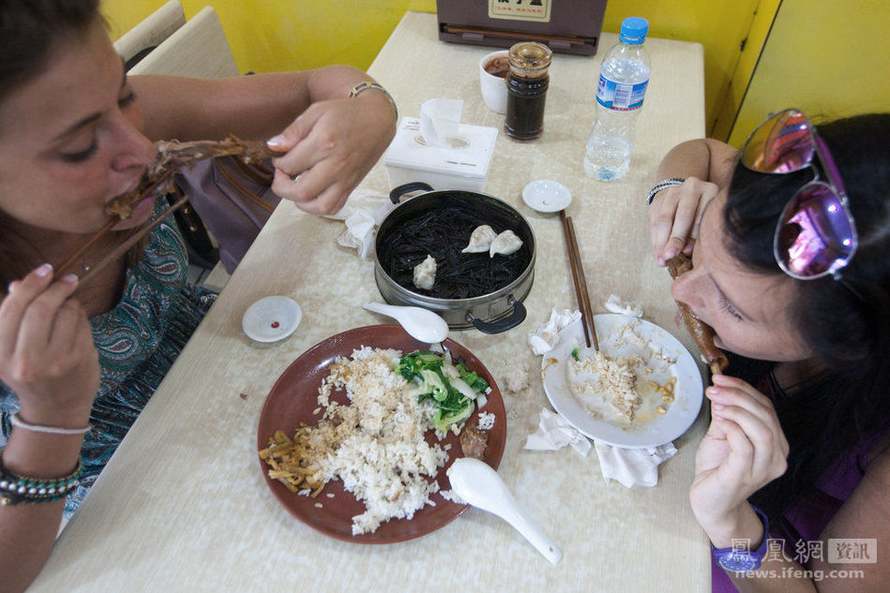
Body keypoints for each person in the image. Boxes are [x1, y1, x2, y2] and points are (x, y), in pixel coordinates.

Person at [0, 1, 396, 590]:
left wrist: (372, 108)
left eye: (123, 93)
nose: (139, 147)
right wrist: (51, 419)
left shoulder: (114, 115)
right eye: (81, 148)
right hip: (139, 502)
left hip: (232, 366)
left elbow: (323, 83)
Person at [648, 110, 890, 592]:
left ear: (843, 345)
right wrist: (674, 192)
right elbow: (707, 151)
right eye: (704, 249)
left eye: (732, 307)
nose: (683, 292)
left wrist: (734, 527)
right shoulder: (792, 199)